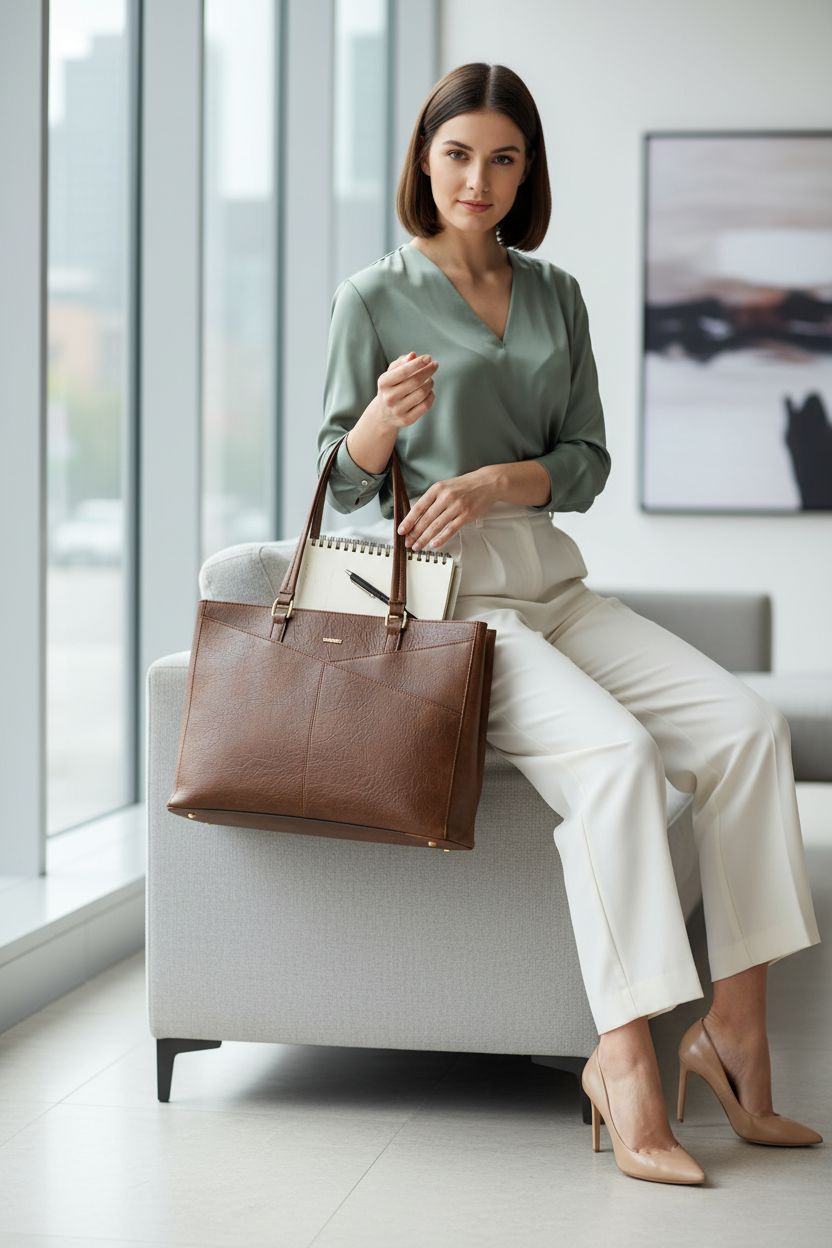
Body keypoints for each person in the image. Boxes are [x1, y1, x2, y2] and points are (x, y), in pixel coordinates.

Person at [315, 62, 823, 1184]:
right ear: (422, 161)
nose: (477, 179)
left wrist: (498, 481)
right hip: (457, 614)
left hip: (554, 580)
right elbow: (335, 484)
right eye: (456, 155)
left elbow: (585, 463)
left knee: (746, 734)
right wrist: (377, 429)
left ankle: (733, 1038)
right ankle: (623, 1059)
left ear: (526, 169)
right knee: (618, 762)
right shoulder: (373, 296)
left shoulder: (556, 295)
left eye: (502, 157)